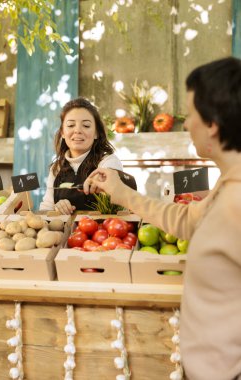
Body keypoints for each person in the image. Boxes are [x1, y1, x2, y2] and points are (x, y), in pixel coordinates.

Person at [83, 57, 241, 380]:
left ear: (212, 123)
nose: (186, 124)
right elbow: (185, 220)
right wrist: (122, 193)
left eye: (191, 113)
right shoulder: (227, 186)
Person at [39, 97, 123, 214]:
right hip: (63, 231)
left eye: (86, 126)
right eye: (71, 125)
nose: (77, 130)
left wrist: (105, 181)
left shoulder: (108, 162)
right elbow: (46, 207)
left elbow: (117, 192)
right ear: (63, 132)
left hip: (102, 231)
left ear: (96, 133)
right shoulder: (56, 168)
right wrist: (56, 209)